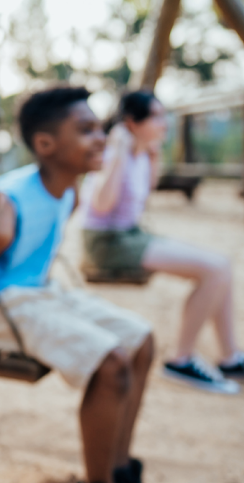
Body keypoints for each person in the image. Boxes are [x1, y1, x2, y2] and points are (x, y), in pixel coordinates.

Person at [0, 87, 154, 483]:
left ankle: (119, 467)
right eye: (86, 129)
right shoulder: (9, 196)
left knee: (141, 341)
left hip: (36, 293)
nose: (101, 137)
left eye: (99, 128)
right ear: (45, 144)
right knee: (112, 363)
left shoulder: (69, 193)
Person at [81, 90, 243, 394]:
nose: (164, 122)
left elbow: (144, 195)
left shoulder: (144, 151)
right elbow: (102, 204)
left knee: (222, 265)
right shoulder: (113, 152)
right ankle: (180, 360)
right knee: (214, 269)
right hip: (107, 242)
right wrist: (116, 151)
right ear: (132, 122)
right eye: (156, 116)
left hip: (130, 234)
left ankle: (230, 356)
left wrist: (152, 157)